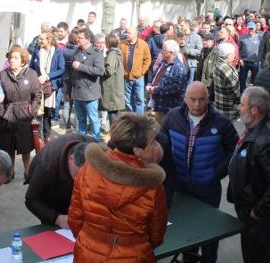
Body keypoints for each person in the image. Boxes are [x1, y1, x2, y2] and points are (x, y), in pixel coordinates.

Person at [68, 113, 167, 262]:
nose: (156, 146)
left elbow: (75, 218)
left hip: (88, 254)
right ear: (137, 151)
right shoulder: (152, 186)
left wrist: (91, 240)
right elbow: (157, 234)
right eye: (152, 142)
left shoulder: (88, 169)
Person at [160, 82, 238, 262]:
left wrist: (216, 172)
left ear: (208, 99)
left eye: (201, 99)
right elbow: (161, 147)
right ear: (185, 99)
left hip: (207, 188)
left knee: (209, 231)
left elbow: (234, 150)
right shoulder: (172, 118)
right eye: (193, 99)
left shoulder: (221, 122)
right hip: (179, 187)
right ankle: (189, 259)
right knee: (185, 229)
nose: (197, 104)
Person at [228, 86, 270, 263]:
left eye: (242, 104)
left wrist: (259, 211)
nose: (239, 107)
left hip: (257, 214)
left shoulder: (268, 138)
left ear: (254, 110)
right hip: (248, 208)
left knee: (258, 256)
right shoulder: (254, 128)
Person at [0, 45, 41, 180]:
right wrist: (1, 112)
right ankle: (10, 172)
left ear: (23, 60)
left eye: (15, 58)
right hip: (8, 114)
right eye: (11, 57)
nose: (12, 60)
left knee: (25, 146)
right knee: (9, 146)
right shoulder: (3, 74)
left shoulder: (31, 74)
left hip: (24, 115)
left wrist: (32, 110)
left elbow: (37, 94)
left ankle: (27, 172)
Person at [25, 133, 92, 228]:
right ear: (71, 159)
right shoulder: (47, 165)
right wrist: (56, 218)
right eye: (79, 175)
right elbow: (31, 200)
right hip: (52, 194)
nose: (82, 181)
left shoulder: (97, 151)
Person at [29, 30, 65, 143]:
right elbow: (31, 67)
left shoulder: (58, 52)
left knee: (47, 112)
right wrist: (36, 78)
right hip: (38, 85)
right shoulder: (36, 50)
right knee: (38, 112)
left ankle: (47, 136)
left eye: (41, 39)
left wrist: (48, 76)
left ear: (49, 40)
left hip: (50, 86)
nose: (39, 41)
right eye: (39, 39)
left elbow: (61, 69)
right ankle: (38, 137)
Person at [70, 28, 105, 142]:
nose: (78, 40)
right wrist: (68, 91)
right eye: (78, 37)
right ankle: (81, 141)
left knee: (93, 119)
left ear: (88, 39)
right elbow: (72, 73)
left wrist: (81, 66)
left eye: (80, 38)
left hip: (89, 93)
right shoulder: (77, 51)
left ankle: (97, 141)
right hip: (77, 92)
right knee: (80, 119)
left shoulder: (97, 53)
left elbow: (100, 71)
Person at [146, 39, 188, 124]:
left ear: (171, 52)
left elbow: (175, 88)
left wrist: (155, 90)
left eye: (163, 50)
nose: (161, 52)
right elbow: (154, 76)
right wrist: (149, 84)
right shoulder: (163, 62)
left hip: (169, 109)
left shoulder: (178, 67)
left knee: (165, 133)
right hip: (159, 106)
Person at [119, 27, 151, 114]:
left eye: (129, 33)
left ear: (135, 34)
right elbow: (118, 59)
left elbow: (147, 60)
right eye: (126, 33)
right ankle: (131, 118)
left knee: (140, 99)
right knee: (128, 100)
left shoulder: (143, 44)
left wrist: (142, 72)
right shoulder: (121, 44)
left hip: (138, 77)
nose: (127, 35)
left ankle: (139, 120)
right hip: (126, 77)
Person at [213, 42, 240, 120]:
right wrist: (238, 102)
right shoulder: (226, 68)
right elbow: (233, 90)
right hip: (227, 106)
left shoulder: (219, 64)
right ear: (228, 55)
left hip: (220, 103)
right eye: (233, 54)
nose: (234, 55)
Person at [102, 33, 124, 124]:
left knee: (113, 114)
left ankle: (115, 136)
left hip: (112, 89)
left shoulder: (112, 54)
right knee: (115, 114)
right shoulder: (117, 52)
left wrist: (99, 70)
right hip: (116, 88)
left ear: (108, 43)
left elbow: (109, 70)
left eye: (105, 42)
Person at [238, 21, 261, 93]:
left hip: (255, 62)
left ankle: (254, 93)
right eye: (249, 29)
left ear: (255, 29)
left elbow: (262, 49)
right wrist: (240, 59)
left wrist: (259, 59)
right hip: (244, 62)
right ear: (247, 29)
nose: (251, 30)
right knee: (242, 79)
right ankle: (242, 93)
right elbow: (238, 49)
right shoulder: (242, 37)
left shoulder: (259, 37)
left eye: (252, 29)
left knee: (255, 79)